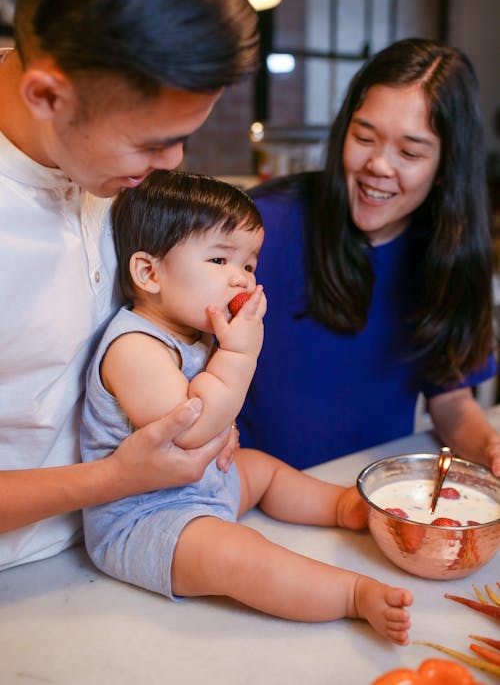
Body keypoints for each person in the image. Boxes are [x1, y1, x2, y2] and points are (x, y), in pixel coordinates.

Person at [0, 0, 260, 571]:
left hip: (119, 550)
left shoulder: (104, 166)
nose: (170, 164)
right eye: (151, 143)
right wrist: (115, 479)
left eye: (182, 139)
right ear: (47, 96)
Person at [80, 170, 413, 643]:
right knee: (238, 553)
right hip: (144, 520)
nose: (240, 277)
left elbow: (214, 422)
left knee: (262, 470)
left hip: (201, 487)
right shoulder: (134, 348)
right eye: (219, 259)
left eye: (250, 265)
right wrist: (239, 355)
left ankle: (341, 506)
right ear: (149, 273)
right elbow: (190, 432)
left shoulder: (192, 332)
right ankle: (350, 594)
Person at [239, 37, 500, 475]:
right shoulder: (261, 224)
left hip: (373, 497)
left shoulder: (446, 256)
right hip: (252, 498)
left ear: (445, 169)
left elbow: (451, 399)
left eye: (410, 152)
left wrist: (490, 446)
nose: (379, 164)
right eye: (364, 137)